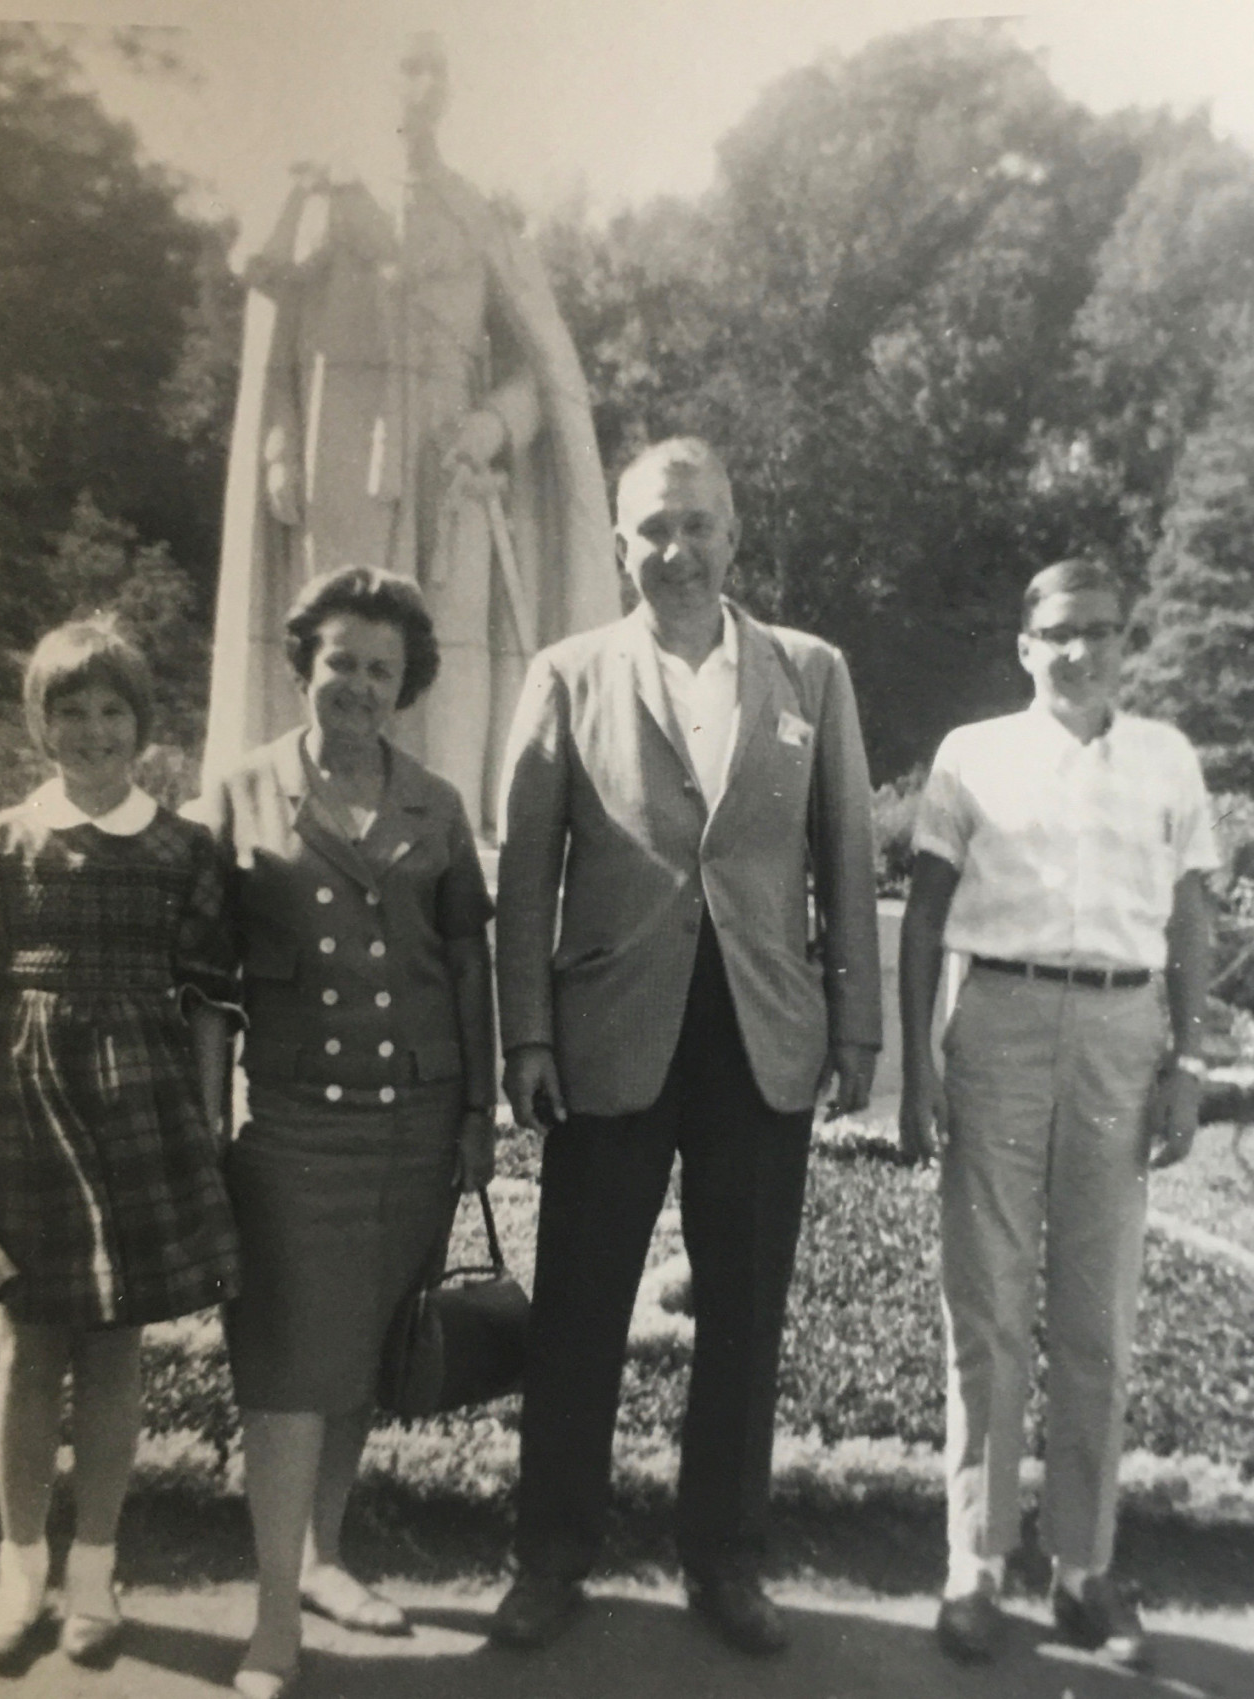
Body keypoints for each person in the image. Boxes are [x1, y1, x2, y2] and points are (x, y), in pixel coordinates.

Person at [490, 437, 882, 1655]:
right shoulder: (566, 672)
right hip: (611, 1031)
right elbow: (523, 875)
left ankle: (725, 1560)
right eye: (653, 529)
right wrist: (527, 1035)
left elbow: (845, 861)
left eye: (697, 525)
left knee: (747, 1310)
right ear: (620, 544)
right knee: (580, 1310)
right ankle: (550, 1555)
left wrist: (855, 1022)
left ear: (733, 535)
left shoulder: (809, 674)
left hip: (762, 1035)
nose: (676, 550)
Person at [899, 558, 1216, 1669]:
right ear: (1024, 644)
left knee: (1096, 1315)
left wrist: (1190, 1061)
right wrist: (918, 1072)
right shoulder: (971, 754)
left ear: (1125, 641)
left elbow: (1189, 919)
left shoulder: (1166, 758)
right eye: (1062, 632)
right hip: (998, 1018)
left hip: (1123, 1034)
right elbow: (925, 914)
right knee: (983, 1305)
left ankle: (1083, 1570)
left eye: (1104, 631)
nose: (1084, 650)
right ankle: (974, 1563)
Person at [191, 566, 497, 1699]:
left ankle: (325, 1560)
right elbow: (209, 985)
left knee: (363, 1355)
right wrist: (204, 1120)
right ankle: (274, 1618)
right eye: (340, 663)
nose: (359, 685)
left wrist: (475, 1115)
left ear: (404, 681)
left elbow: (466, 964)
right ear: (305, 666)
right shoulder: (241, 791)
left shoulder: (437, 805)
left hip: (416, 1128)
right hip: (294, 1131)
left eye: (380, 667)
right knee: (283, 1372)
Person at [0, 620, 241, 1671]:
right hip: (26, 1108)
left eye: (112, 712)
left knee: (113, 1349)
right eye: (71, 712)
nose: (92, 731)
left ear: (141, 726)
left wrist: (206, 1120)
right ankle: (21, 1575)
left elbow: (207, 1000)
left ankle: (96, 1571)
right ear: (41, 722)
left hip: (141, 1109)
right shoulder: (2, 838)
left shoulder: (183, 846)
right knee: (27, 1343)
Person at [204, 30, 619, 835]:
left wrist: (495, 424)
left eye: (435, 67)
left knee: (446, 654)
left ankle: (437, 826)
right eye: (405, 65)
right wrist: (281, 441)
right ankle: (313, 815)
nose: (420, 83)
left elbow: (544, 367)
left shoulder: (474, 213)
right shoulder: (326, 194)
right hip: (341, 452)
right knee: (333, 640)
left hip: (451, 465)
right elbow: (273, 316)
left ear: (448, 89)